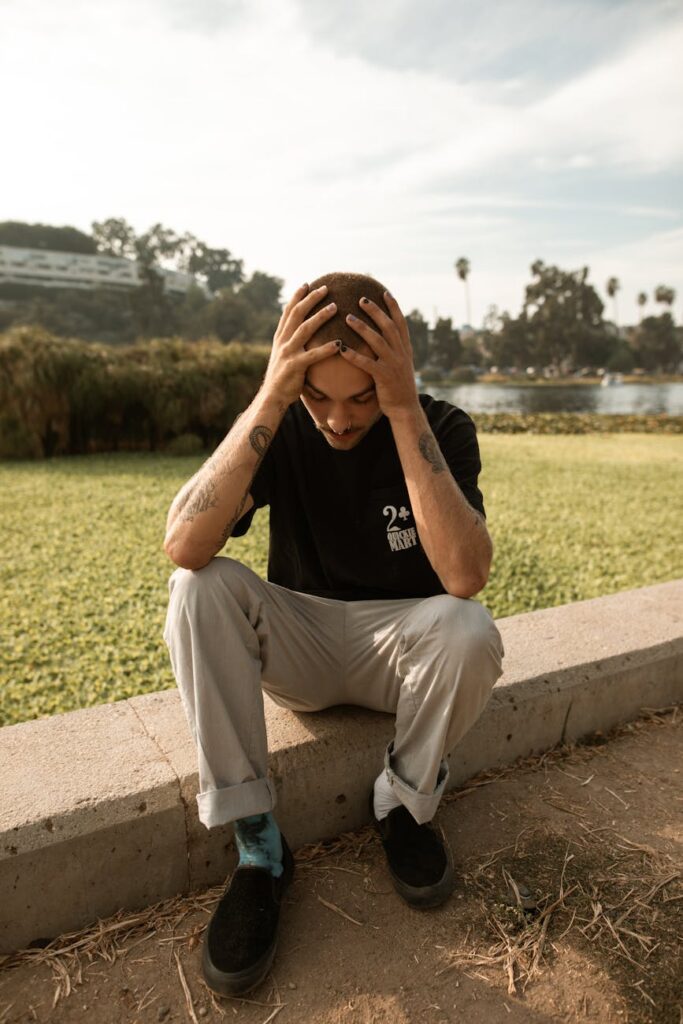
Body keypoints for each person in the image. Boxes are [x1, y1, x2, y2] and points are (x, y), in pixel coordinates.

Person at [162, 271, 505, 997]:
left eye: (361, 397)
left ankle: (402, 806)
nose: (339, 420)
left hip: (399, 646)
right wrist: (272, 397)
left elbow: (465, 575)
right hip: (302, 637)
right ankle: (258, 846)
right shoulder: (281, 426)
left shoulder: (439, 426)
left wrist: (402, 407)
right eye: (318, 395)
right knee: (199, 588)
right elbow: (185, 544)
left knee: (467, 627)